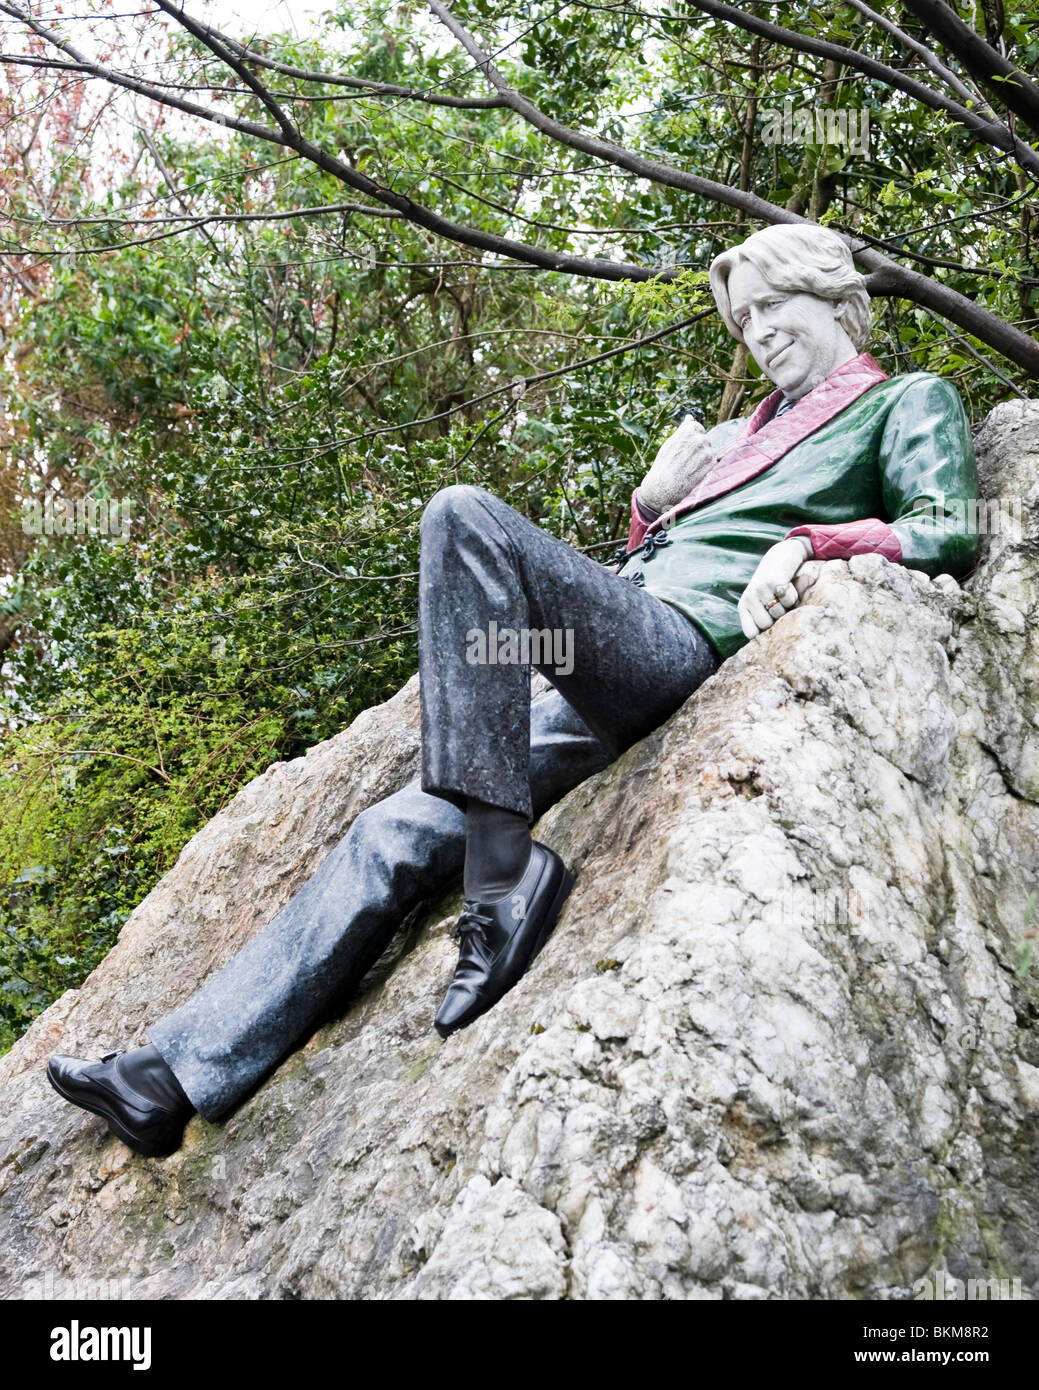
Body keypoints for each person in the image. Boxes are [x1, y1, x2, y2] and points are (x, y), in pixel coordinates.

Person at [45, 224, 980, 1157]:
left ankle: (502, 873)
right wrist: (649, 508)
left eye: (775, 307)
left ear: (836, 298)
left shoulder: (900, 400)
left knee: (461, 512)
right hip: (601, 667)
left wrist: (810, 545)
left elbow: (945, 527)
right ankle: (169, 1078)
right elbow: (637, 564)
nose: (760, 332)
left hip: (687, 645)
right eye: (744, 321)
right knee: (392, 829)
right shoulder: (733, 438)